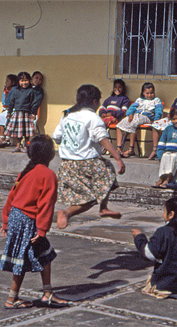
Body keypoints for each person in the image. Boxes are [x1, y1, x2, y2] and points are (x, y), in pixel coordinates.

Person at [0, 135, 71, 309]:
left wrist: (6, 222)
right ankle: (13, 299)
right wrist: (42, 230)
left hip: (16, 217)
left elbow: (12, 197)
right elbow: (46, 205)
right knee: (27, 258)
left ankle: (45, 294)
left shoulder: (26, 171)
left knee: (42, 255)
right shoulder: (48, 175)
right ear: (50, 154)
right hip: (27, 221)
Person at [53, 84, 125, 229]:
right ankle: (68, 213)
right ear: (94, 102)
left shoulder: (67, 115)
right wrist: (117, 157)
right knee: (104, 178)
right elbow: (102, 138)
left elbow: (57, 137)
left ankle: (102, 208)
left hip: (66, 165)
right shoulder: (93, 117)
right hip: (86, 163)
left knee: (92, 191)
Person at [116, 82, 163, 158]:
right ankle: (119, 148)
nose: (149, 95)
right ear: (143, 93)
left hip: (146, 116)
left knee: (133, 123)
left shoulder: (156, 100)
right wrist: (130, 114)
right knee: (119, 125)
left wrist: (156, 120)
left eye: (151, 93)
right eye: (147, 93)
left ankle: (131, 149)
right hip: (135, 115)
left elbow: (158, 110)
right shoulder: (139, 100)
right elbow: (132, 108)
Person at [153, 108, 177, 188]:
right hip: (168, 152)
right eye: (173, 119)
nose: (176, 121)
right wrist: (160, 155)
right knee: (165, 156)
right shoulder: (168, 129)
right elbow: (161, 145)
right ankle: (161, 178)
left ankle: (168, 179)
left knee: (173, 157)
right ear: (171, 120)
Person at [4, 72, 40, 153]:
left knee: (27, 133)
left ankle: (26, 146)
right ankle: (18, 146)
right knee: (19, 133)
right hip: (18, 114)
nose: (24, 83)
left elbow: (34, 103)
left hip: (27, 114)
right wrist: (9, 112)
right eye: (22, 81)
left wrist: (34, 113)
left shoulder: (31, 91)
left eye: (26, 80)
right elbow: (11, 102)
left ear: (29, 80)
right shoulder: (16, 91)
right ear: (18, 81)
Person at [0, 74, 18, 148]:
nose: (6, 82)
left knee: (3, 117)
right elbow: (4, 101)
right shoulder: (7, 90)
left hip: (13, 109)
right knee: (1, 117)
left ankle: (5, 138)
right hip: (7, 109)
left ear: (13, 82)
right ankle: (4, 138)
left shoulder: (14, 90)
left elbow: (9, 102)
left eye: (7, 81)